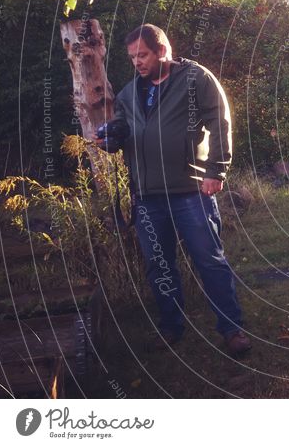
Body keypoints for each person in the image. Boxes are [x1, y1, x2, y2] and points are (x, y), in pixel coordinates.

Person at [95, 24, 251, 357]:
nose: (137, 62)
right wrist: (110, 136)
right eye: (133, 57)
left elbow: (220, 122)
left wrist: (216, 171)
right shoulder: (127, 94)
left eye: (143, 55)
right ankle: (171, 326)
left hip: (191, 191)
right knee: (159, 266)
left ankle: (231, 328)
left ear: (162, 50)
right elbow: (124, 130)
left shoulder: (195, 79)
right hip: (148, 197)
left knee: (209, 260)